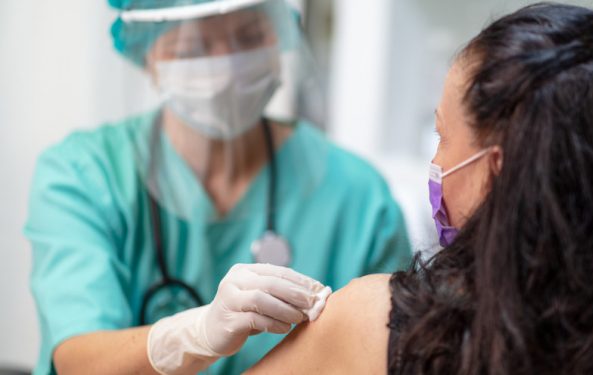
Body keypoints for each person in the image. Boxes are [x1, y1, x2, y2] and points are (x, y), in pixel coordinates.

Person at [234, 3, 593, 374]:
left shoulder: (380, 327)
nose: (435, 163)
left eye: (442, 137)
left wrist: (181, 341)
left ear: (497, 168)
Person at [24, 0, 411, 374]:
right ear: (148, 58)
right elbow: (78, 361)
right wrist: (192, 336)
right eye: (192, 47)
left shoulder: (358, 195)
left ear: (280, 36)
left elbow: (392, 351)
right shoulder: (85, 174)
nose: (226, 65)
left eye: (249, 36)